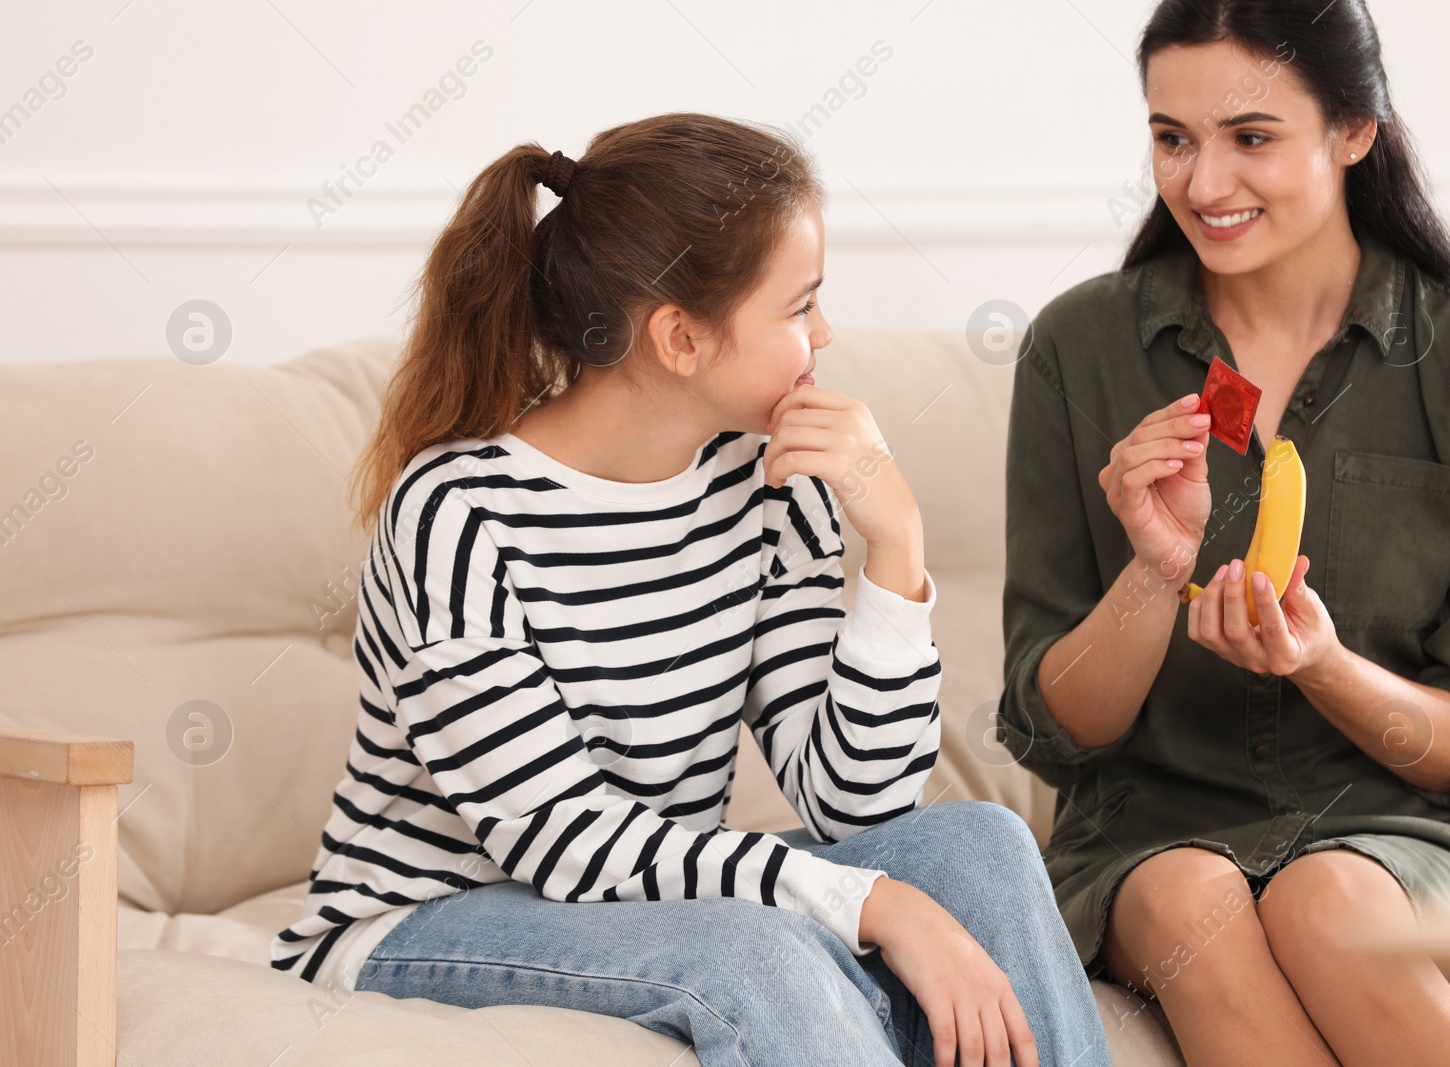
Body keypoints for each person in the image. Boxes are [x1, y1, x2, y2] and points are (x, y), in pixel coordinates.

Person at [269, 112, 1112, 1067]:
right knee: (759, 950)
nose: (826, 333)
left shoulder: (769, 482)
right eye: (800, 306)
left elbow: (859, 810)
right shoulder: (457, 514)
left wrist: (895, 547)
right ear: (680, 338)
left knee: (983, 848)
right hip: (420, 922)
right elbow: (565, 843)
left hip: (650, 899)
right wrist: (868, 901)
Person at [996, 2, 1450, 1065]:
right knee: (1187, 898)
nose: (1202, 184)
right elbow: (1052, 727)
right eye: (1172, 138)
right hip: (1151, 832)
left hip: (1415, 839)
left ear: (1356, 130)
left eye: (1249, 137)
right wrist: (1152, 576)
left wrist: (1325, 667)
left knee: (1325, 896)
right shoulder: (1077, 349)